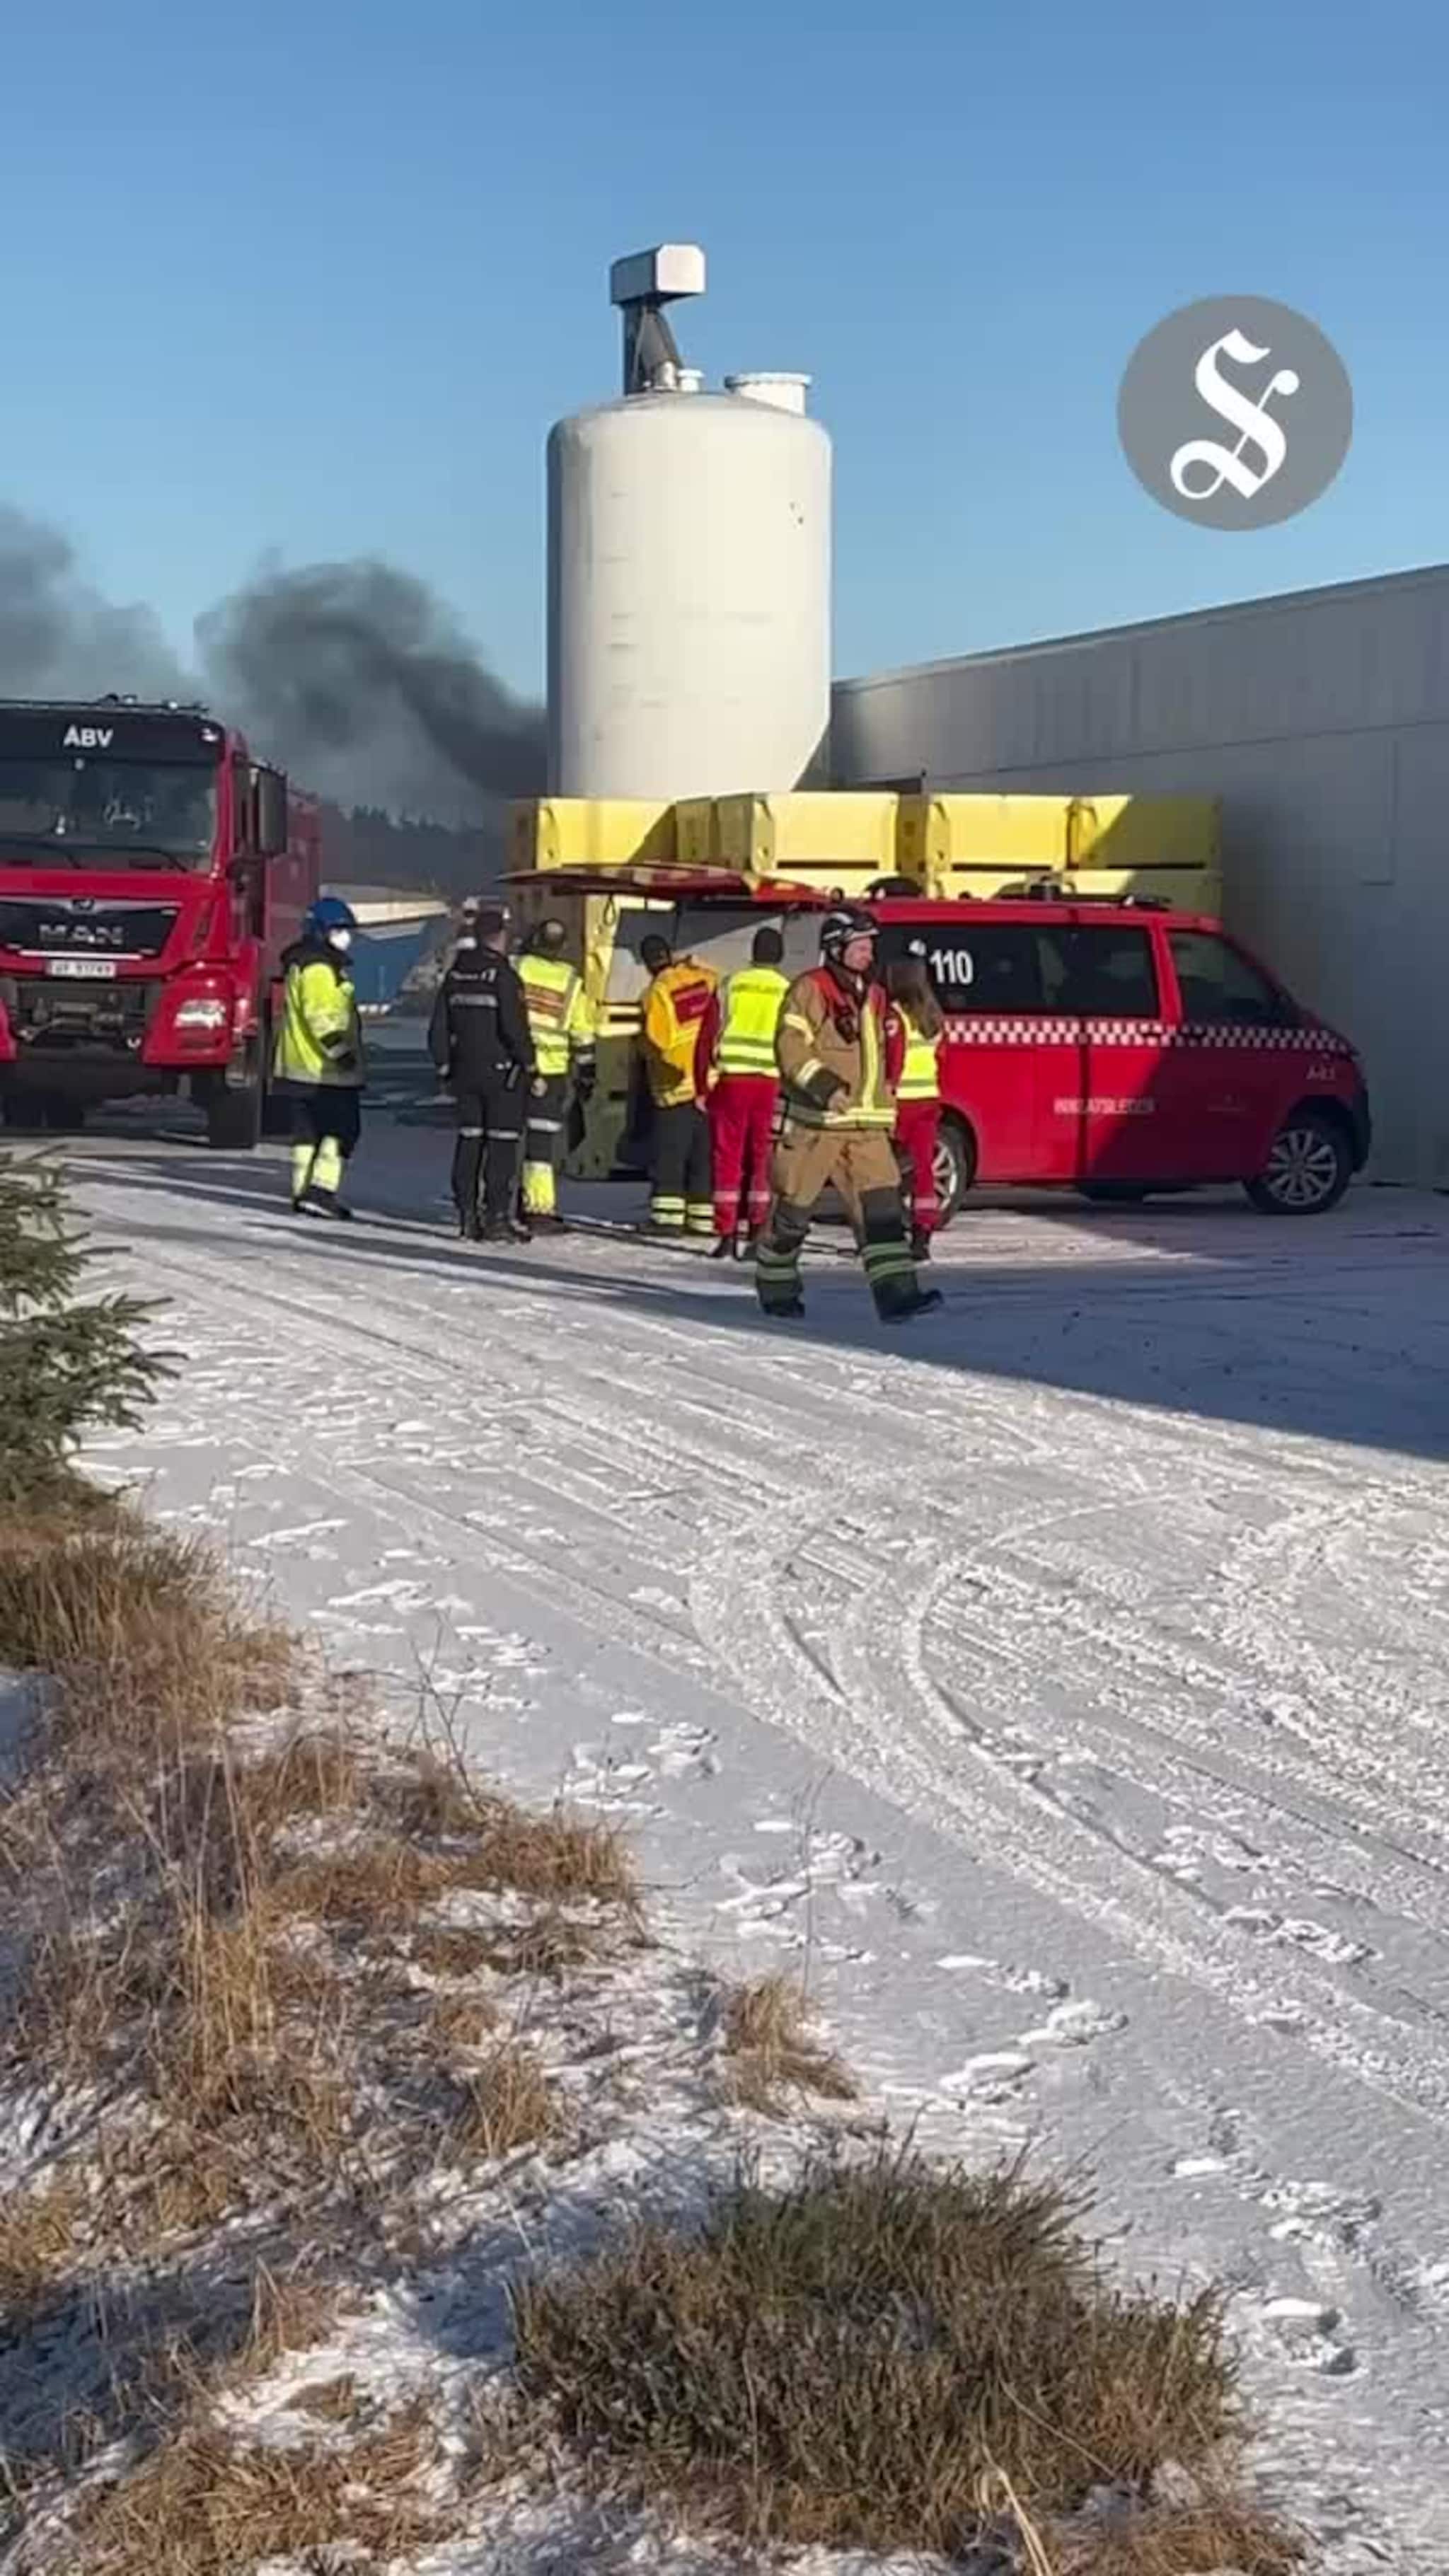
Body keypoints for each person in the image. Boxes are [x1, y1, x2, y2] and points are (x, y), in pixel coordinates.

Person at [756, 907, 942, 1324]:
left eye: (870, 945)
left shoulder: (874, 995)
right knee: (792, 1215)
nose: (868, 953)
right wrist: (826, 1088)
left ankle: (898, 1296)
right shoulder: (810, 989)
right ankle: (777, 1291)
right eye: (860, 945)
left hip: (865, 1128)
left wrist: (885, 1105)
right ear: (835, 948)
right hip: (817, 1125)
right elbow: (791, 1047)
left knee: (883, 1215)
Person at [428, 901, 536, 1242]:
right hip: (502, 1074)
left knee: (470, 1142)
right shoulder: (502, 976)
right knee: (502, 1145)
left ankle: (467, 1215)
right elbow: (513, 1027)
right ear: (500, 936)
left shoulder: (456, 975)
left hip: (465, 1072)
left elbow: (439, 1027)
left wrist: (445, 1066)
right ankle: (496, 1217)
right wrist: (529, 1064)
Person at [694, 925, 790, 1260]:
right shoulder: (788, 990)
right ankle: (758, 1229)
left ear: (753, 953)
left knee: (727, 1157)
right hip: (770, 1083)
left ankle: (727, 1234)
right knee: (762, 1156)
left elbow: (707, 1036)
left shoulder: (730, 985)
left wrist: (701, 1085)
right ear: (780, 955)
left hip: (732, 1081)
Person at [272, 896, 365, 1220]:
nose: (345, 937)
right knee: (341, 1131)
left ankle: (302, 1192)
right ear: (321, 931)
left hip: (298, 1068)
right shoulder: (320, 969)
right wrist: (341, 1054)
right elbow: (322, 1017)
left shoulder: (301, 963)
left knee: (306, 1135)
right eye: (339, 930)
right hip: (325, 1071)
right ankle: (321, 1191)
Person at [515, 918, 596, 1232]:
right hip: (551, 1072)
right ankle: (538, 1209)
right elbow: (583, 1033)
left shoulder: (517, 967)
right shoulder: (570, 981)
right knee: (540, 1144)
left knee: (503, 1139)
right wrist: (586, 1073)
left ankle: (498, 1204)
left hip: (513, 1067)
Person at [637, 934, 717, 1238]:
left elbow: (657, 1041)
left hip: (676, 1086)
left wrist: (644, 1051)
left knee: (670, 1156)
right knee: (703, 1154)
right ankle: (703, 1219)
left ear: (647, 964)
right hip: (709, 1084)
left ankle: (667, 1220)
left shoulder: (657, 991)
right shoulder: (702, 978)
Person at [885, 951, 946, 1260]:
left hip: (902, 1102)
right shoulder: (934, 1016)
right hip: (928, 1099)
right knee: (924, 1169)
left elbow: (894, 1059)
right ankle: (923, 1234)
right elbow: (942, 1056)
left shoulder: (895, 1015)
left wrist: (887, 1088)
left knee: (887, 1169)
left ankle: (889, 1226)